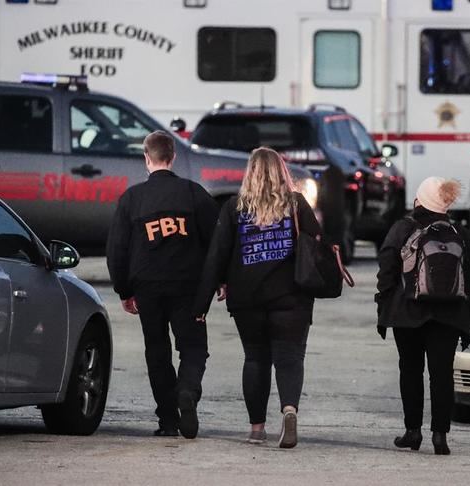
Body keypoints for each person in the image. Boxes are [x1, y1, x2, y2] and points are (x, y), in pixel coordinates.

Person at [193, 146, 321, 449]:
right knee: (289, 359)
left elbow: (216, 257)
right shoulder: (296, 205)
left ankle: (256, 428)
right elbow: (318, 244)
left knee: (255, 360)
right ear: (282, 172)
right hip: (291, 297)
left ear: (250, 173)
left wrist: (201, 306)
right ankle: (289, 410)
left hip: (248, 299)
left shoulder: (235, 208)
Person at [106, 130, 219, 438]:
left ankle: (168, 421)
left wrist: (124, 290)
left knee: (157, 352)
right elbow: (217, 243)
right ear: (173, 157)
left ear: (147, 158)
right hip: (188, 287)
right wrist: (219, 280)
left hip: (148, 287)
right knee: (194, 348)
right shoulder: (194, 194)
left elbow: (117, 250)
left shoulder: (132, 198)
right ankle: (187, 390)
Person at [375, 177, 470, 455]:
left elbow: (386, 271)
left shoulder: (402, 228)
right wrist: (468, 314)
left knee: (410, 371)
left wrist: (385, 306)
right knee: (442, 375)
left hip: (407, 314)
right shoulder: (460, 233)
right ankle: (440, 436)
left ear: (420, 199)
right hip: (448, 317)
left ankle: (413, 431)